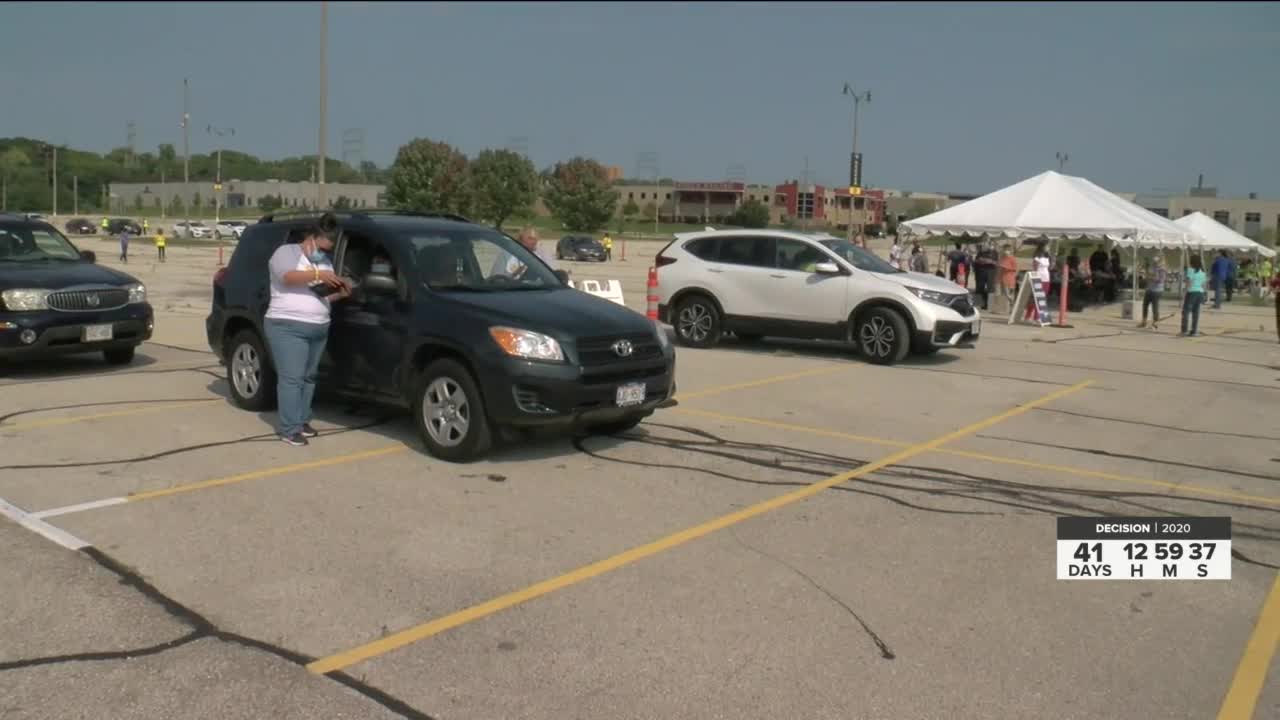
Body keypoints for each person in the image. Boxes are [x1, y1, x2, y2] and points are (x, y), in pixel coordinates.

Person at [264, 222, 350, 446]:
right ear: (311, 238)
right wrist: (318, 273)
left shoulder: (323, 263)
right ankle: (289, 429)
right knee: (291, 378)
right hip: (288, 325)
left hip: (318, 326)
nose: (323, 252)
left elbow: (320, 296)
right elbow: (287, 277)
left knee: (308, 377)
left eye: (327, 250)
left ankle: (302, 420)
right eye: (320, 247)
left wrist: (339, 293)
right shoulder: (287, 252)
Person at [492, 226, 558, 278]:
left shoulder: (542, 255)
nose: (533, 242)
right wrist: (514, 274)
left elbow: (552, 274)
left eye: (535, 238)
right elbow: (496, 279)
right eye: (530, 238)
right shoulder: (507, 255)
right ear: (520, 240)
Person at [1181, 254, 1207, 337]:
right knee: (1196, 312)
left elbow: (1189, 282)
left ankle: (1184, 330)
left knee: (1186, 311)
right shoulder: (1202, 272)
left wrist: (1184, 291)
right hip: (1200, 292)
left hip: (1192, 292)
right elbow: (1203, 284)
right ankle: (1194, 330)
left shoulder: (1190, 270)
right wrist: (1205, 294)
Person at [1139, 256, 1166, 329]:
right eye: (1154, 261)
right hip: (1149, 289)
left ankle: (1155, 323)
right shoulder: (1152, 267)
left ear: (1160, 261)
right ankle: (1144, 321)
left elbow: (1160, 280)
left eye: (1156, 261)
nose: (1154, 263)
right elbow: (1147, 274)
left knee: (1155, 307)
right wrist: (1145, 271)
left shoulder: (1162, 270)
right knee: (1145, 305)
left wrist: (1150, 277)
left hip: (1157, 291)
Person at [973, 241, 998, 311]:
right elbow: (976, 261)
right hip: (980, 273)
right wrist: (980, 260)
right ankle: (978, 304)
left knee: (989, 289)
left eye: (991, 245)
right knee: (979, 288)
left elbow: (996, 263)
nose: (989, 246)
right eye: (988, 245)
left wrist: (989, 261)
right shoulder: (981, 252)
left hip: (990, 273)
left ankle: (987, 305)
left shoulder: (995, 253)